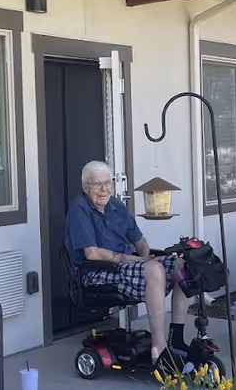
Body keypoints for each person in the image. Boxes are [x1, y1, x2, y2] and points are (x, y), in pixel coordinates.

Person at [64, 160, 190, 373]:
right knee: (154, 269)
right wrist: (142, 263)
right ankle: (159, 348)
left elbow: (139, 241)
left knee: (183, 265)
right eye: (97, 184)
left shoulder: (116, 205)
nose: (104, 189)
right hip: (96, 272)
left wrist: (146, 256)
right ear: (86, 187)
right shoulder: (80, 209)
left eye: (108, 183)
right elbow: (92, 254)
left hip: (126, 267)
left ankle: (175, 338)